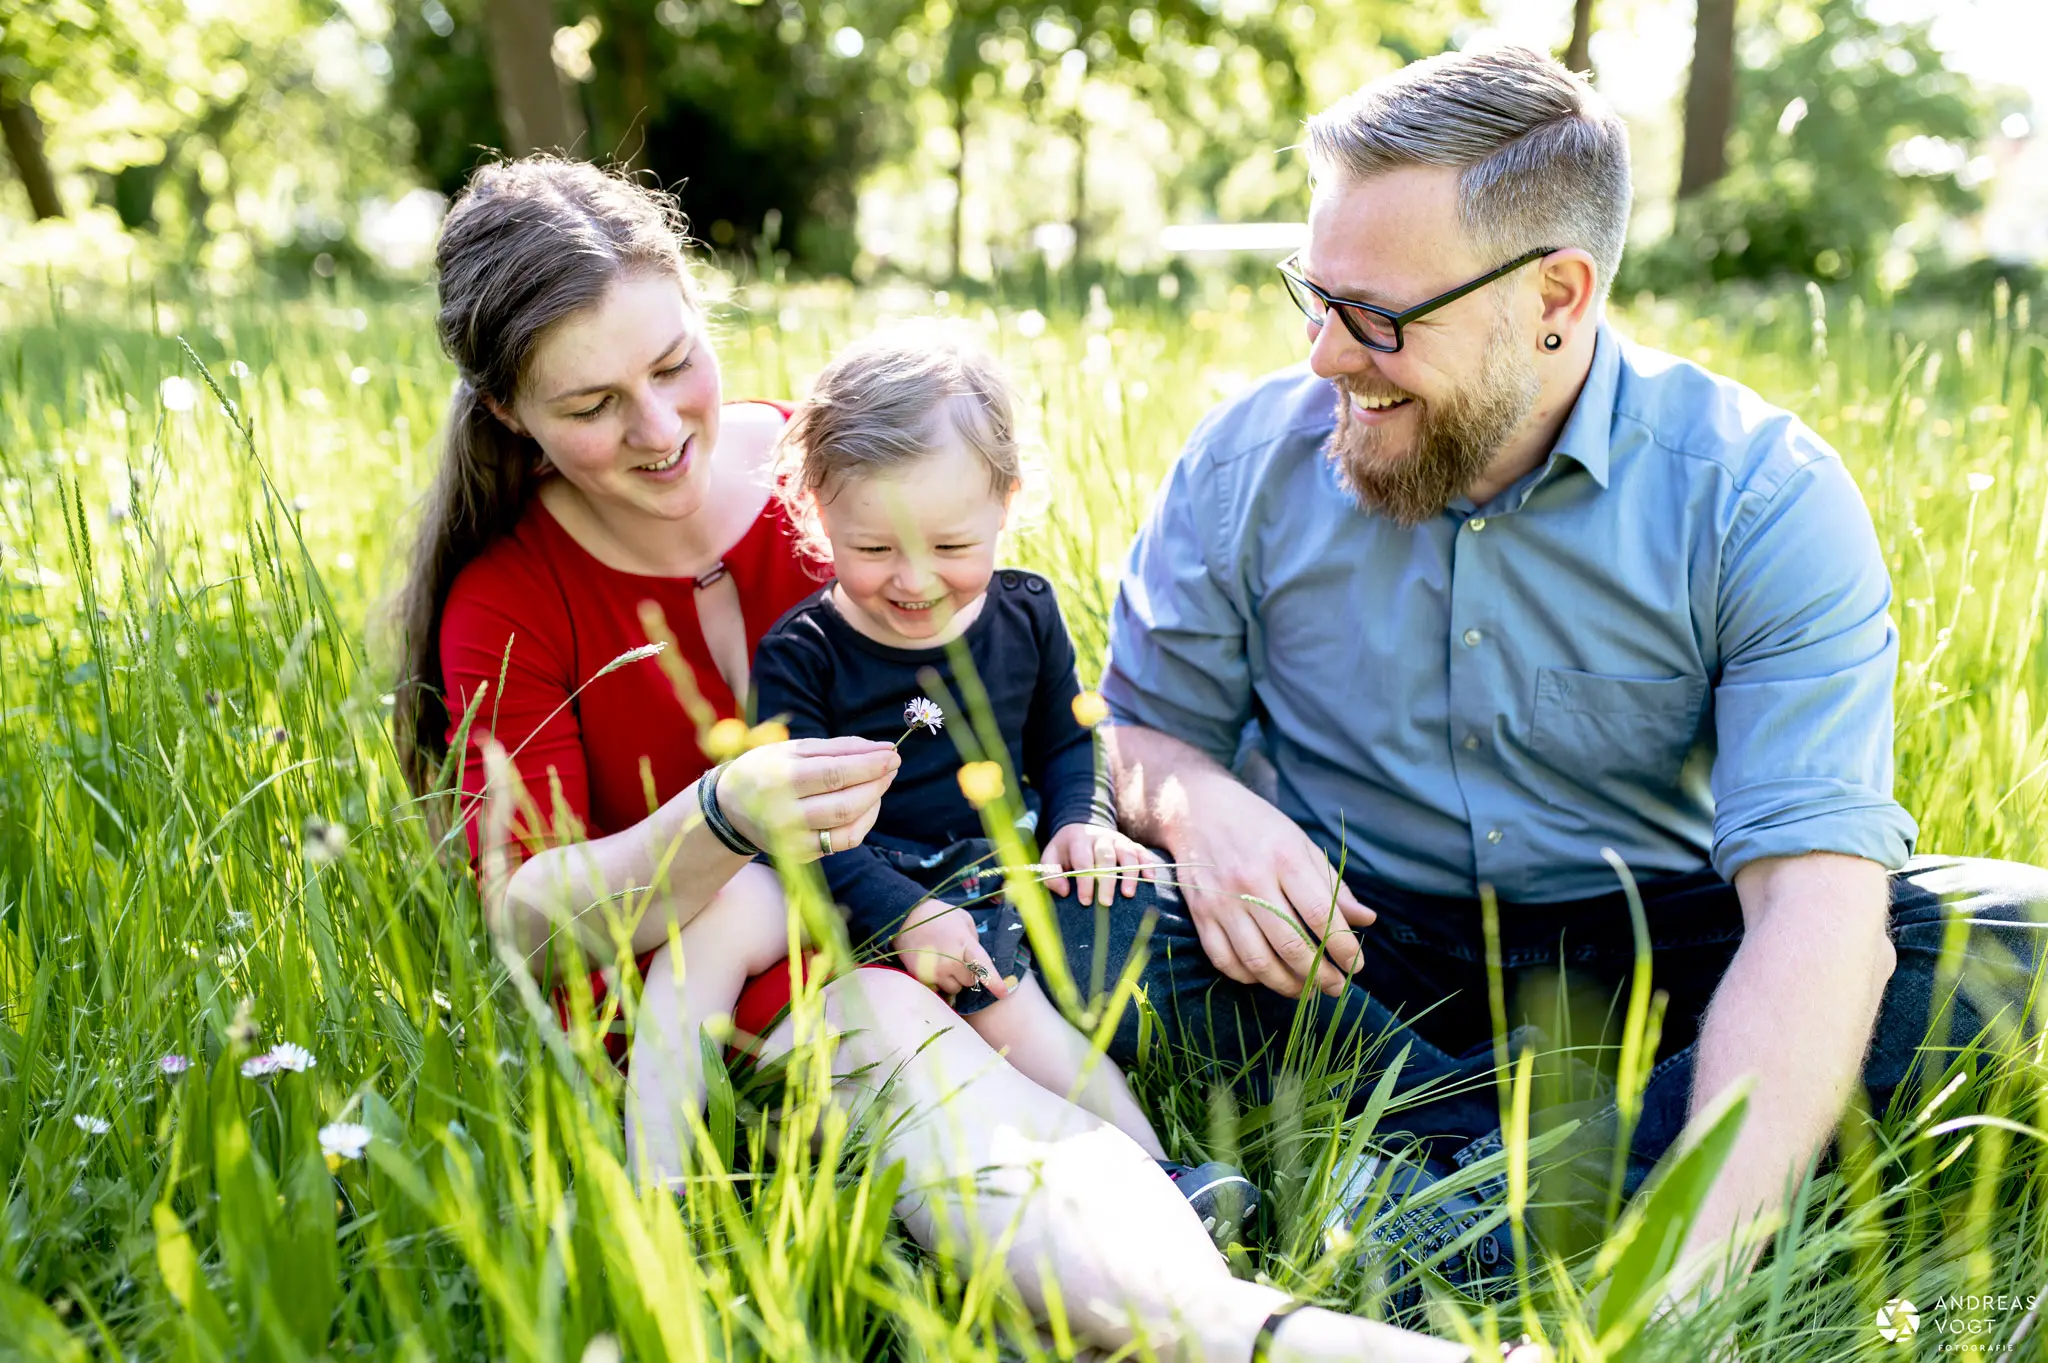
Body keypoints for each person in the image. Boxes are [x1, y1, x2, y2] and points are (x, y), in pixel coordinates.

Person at [393, 155, 1480, 1362]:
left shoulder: (845, 482)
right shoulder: (514, 600)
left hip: (978, 920)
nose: (658, 432)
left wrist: (1172, 808)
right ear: (508, 415)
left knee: (1269, 1004)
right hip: (765, 993)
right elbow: (528, 920)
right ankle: (1296, 1341)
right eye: (591, 407)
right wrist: (717, 817)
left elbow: (1030, 707)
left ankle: (1440, 1162)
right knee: (969, 1116)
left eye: (672, 365)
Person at [1082, 44, 2048, 1304]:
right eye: (1309, 297)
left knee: (1998, 939)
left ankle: (1446, 1207)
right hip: (1339, 956)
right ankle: (1530, 1191)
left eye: (1375, 316)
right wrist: (1198, 807)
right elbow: (1134, 736)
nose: (1324, 356)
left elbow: (1811, 906)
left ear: (1556, 291)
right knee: (1036, 901)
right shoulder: (1242, 465)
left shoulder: (1758, 497)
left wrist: (1680, 1284)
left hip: (1666, 962)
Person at [752, 326, 1256, 1239]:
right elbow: (795, 829)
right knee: (1015, 1028)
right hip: (876, 891)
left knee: (1133, 941)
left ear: (1007, 503)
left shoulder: (1024, 612)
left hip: (1004, 865)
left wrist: (1083, 819)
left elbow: (1069, 737)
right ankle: (1156, 1181)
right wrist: (904, 913)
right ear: (816, 511)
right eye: (873, 549)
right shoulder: (803, 656)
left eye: (949, 545)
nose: (914, 582)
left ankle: (1204, 1151)